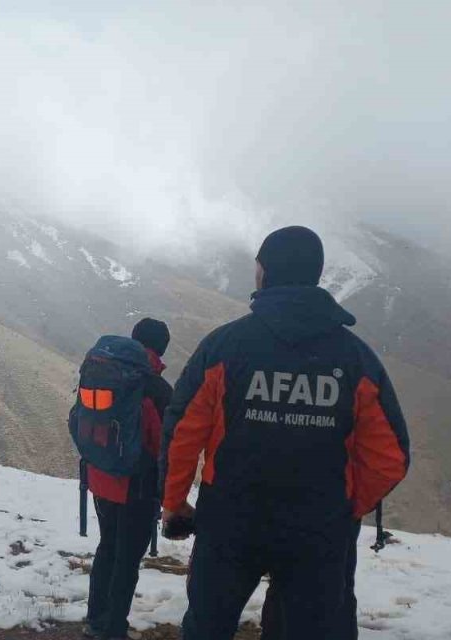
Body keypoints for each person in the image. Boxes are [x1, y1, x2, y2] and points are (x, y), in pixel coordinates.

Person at [160, 226, 409, 640]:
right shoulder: (356, 359)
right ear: (317, 275)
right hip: (318, 527)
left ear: (261, 272)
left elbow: (183, 433)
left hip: (229, 519)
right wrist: (344, 504)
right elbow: (391, 458)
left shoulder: (224, 347)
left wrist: (173, 502)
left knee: (208, 625)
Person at [84, 318, 174, 639]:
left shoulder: (104, 370)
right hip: (137, 486)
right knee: (127, 558)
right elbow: (165, 446)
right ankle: (113, 629)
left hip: (100, 476)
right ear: (163, 348)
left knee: (107, 546)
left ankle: (95, 620)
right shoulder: (157, 388)